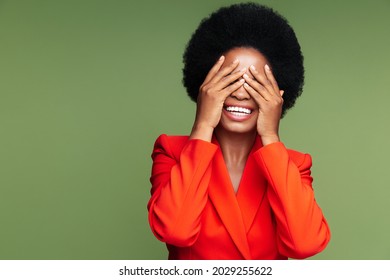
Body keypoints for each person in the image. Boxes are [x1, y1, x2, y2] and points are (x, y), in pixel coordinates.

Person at [147, 2, 331, 260]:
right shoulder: (171, 152)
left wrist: (271, 137)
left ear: (277, 95)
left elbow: (305, 244)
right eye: (229, 79)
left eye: (256, 83)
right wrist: (202, 125)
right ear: (205, 87)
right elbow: (176, 230)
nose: (240, 92)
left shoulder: (293, 165)